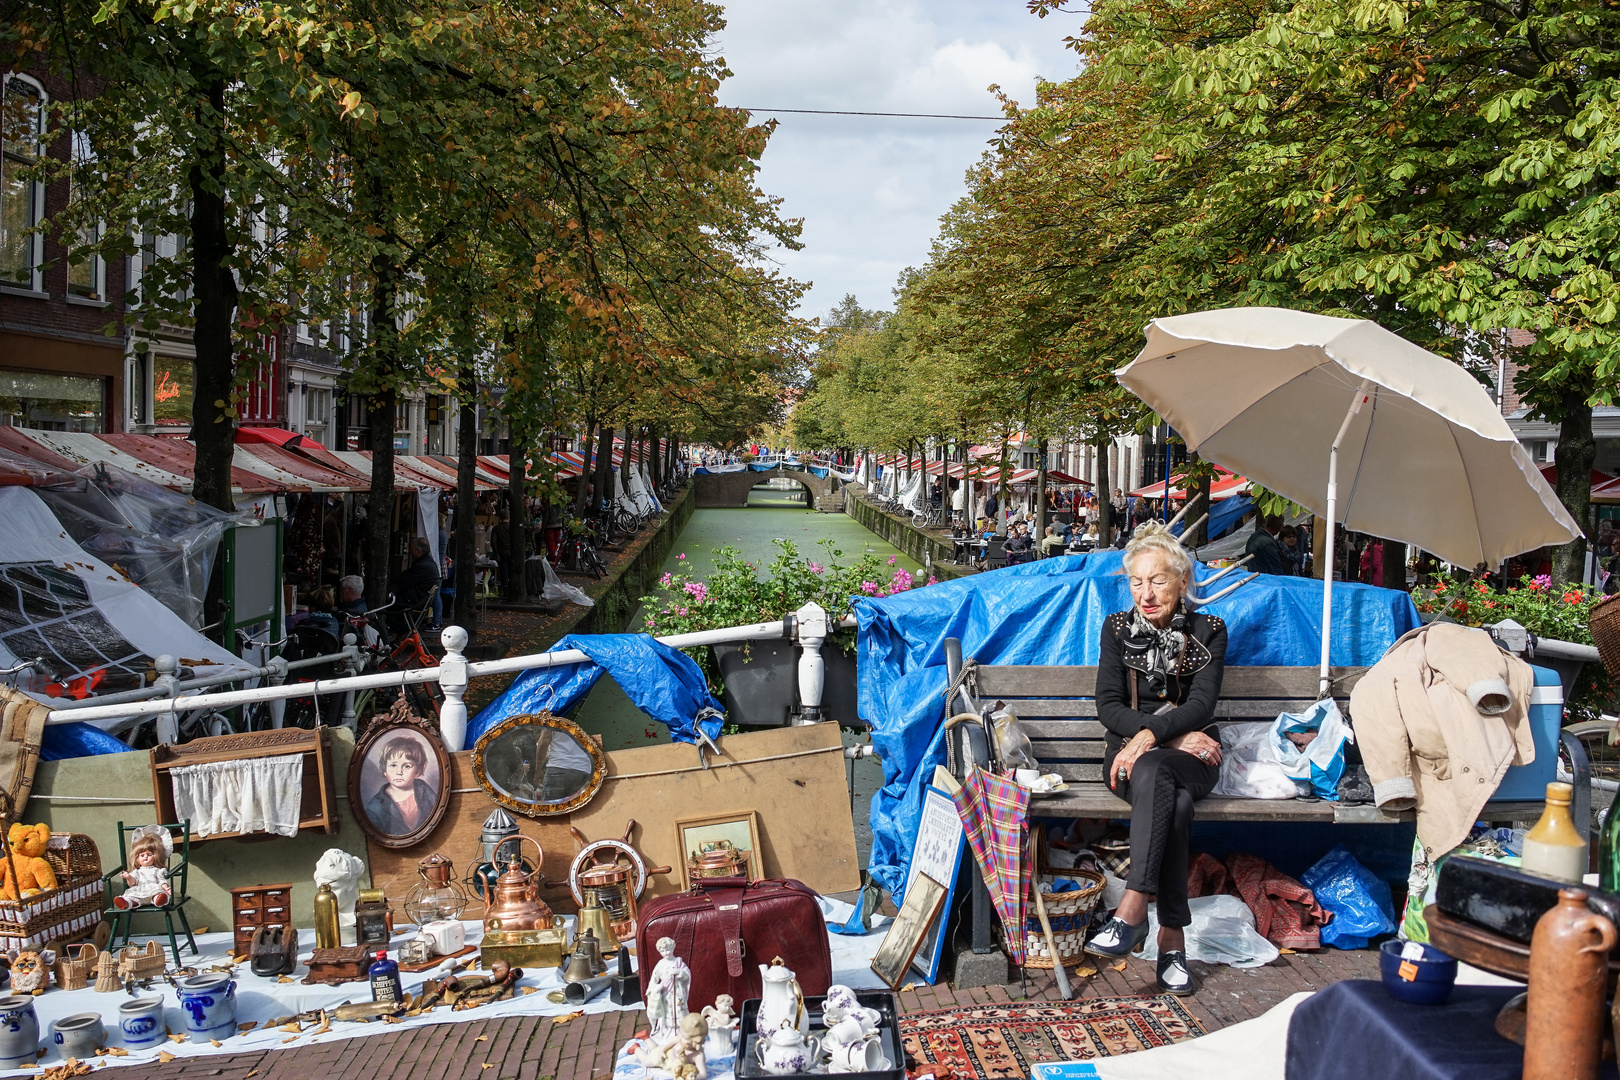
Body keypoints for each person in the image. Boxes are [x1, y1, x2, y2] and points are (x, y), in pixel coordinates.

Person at [1082, 522, 1226, 997]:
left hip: (1192, 757)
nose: (1146, 593)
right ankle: (1172, 940)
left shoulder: (1211, 631)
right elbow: (1108, 705)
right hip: (1128, 759)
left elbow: (1201, 706)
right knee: (1174, 802)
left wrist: (1152, 735)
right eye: (1136, 582)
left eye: (1158, 581)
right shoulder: (1116, 629)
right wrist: (1158, 738)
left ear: (1183, 581)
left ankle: (1132, 910)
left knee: (1160, 769)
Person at [365, 735, 438, 836]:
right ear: (385, 769)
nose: (399, 772)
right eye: (393, 765)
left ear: (418, 770)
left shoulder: (423, 789)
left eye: (407, 766)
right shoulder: (376, 805)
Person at [396, 537, 442, 629]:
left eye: (412, 549)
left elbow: (403, 581)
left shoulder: (422, 566)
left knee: (388, 605)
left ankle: (401, 631)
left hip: (415, 601)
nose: (410, 551)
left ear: (418, 551)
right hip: (419, 599)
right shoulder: (428, 562)